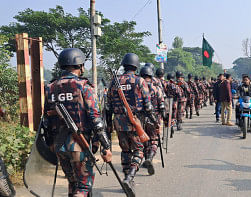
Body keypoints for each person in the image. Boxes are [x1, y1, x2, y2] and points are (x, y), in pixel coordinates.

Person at [44, 48, 112, 197]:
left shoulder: (50, 87)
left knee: (73, 183)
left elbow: (46, 120)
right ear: (80, 65)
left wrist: (50, 143)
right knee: (83, 186)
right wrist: (106, 146)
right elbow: (96, 120)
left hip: (59, 145)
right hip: (79, 144)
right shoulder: (84, 87)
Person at [107, 53, 154, 194]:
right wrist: (152, 118)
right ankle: (130, 176)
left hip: (118, 121)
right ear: (136, 65)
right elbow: (148, 104)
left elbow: (108, 106)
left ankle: (127, 177)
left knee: (125, 150)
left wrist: (108, 124)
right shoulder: (139, 81)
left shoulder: (114, 82)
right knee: (139, 149)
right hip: (135, 120)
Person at [139, 66, 165, 175]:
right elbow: (162, 105)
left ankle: (146, 158)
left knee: (145, 141)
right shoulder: (156, 88)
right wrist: (163, 116)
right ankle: (149, 157)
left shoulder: (138, 88)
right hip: (154, 119)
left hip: (140, 120)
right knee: (154, 140)